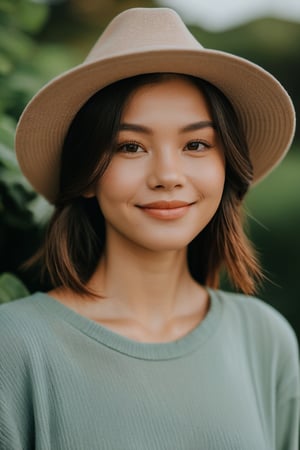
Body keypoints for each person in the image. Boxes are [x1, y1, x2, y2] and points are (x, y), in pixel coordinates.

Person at [0, 7, 299, 450]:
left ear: (225, 167)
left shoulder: (265, 340)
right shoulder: (14, 345)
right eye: (130, 146)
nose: (167, 174)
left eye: (196, 144)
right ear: (86, 175)